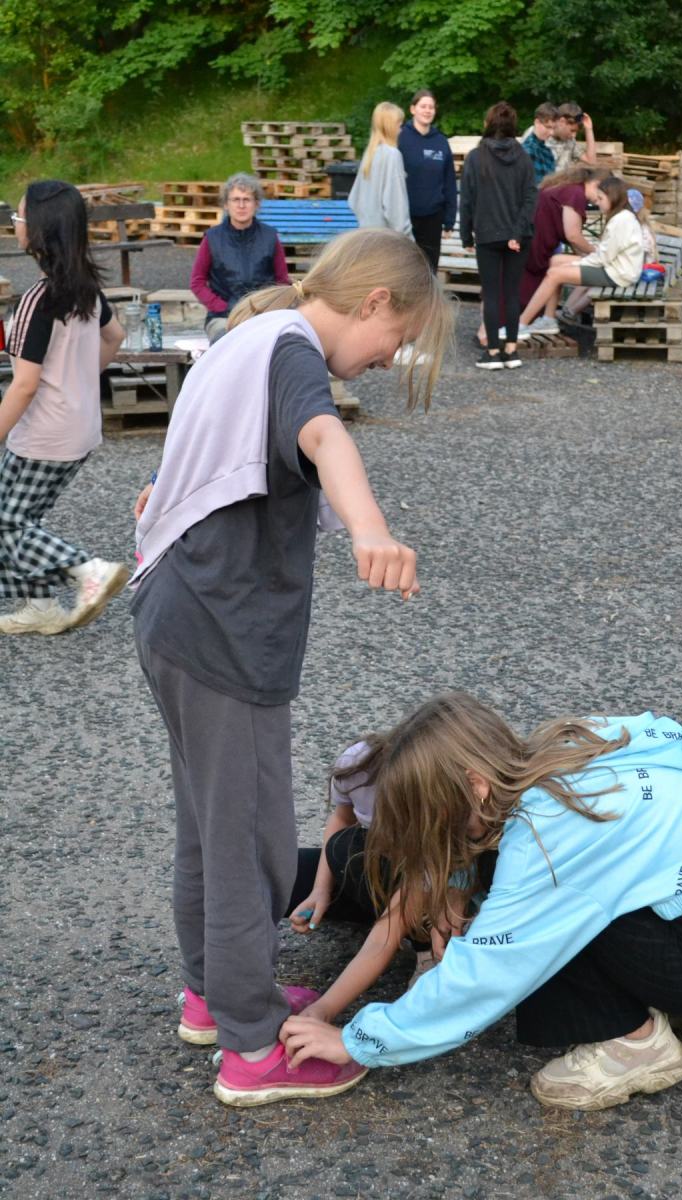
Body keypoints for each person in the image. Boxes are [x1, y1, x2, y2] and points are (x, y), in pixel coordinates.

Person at [130, 228, 454, 1109]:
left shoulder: (247, 337)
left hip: (173, 613)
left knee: (209, 825)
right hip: (223, 632)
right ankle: (249, 1047)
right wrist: (370, 530)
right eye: (396, 337)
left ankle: (216, 995)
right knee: (251, 841)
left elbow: (186, 458)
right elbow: (323, 435)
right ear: (374, 300)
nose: (388, 359)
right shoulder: (294, 352)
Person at [281, 693, 682, 1113]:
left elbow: (487, 974)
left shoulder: (547, 838)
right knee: (520, 887)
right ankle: (677, 1003)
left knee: (533, 926)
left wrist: (357, 1041)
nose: (442, 839)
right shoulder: (552, 759)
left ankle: (637, 1043)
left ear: (474, 784)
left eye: (441, 821)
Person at [0, 180, 128, 636]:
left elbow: (24, 385)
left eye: (18, 216)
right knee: (21, 515)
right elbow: (116, 335)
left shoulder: (37, 300)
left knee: (8, 521)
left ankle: (87, 570)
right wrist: (79, 382)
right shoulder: (84, 288)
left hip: (46, 433)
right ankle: (41, 607)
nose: (13, 222)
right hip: (78, 427)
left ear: (39, 229)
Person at [286, 738, 439, 1025]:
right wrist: (320, 890)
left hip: (426, 876)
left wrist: (324, 1008)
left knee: (401, 901)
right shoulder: (358, 765)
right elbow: (342, 820)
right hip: (382, 873)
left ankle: (428, 951)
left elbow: (384, 937)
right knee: (284, 871)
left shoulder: (435, 805)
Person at [460, 102, 536, 370]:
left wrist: (466, 236)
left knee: (491, 294)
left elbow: (466, 200)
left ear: (487, 124)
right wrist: (518, 231)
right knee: (512, 293)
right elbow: (530, 198)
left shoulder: (476, 157)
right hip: (518, 236)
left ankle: (492, 352)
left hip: (487, 233)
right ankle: (512, 351)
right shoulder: (524, 157)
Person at [518, 176, 645, 331]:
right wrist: (576, 262)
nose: (597, 203)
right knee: (555, 260)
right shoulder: (621, 217)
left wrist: (575, 263)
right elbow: (605, 254)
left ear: (613, 197)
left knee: (555, 274)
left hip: (618, 274)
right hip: (613, 266)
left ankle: (521, 324)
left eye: (600, 198)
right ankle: (548, 319)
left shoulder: (621, 221)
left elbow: (603, 258)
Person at [189, 172, 290, 345]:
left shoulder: (270, 237)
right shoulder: (212, 238)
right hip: (223, 318)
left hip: (262, 315)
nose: (241, 205)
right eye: (236, 200)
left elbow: (283, 282)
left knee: (277, 343)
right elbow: (197, 282)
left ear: (256, 204)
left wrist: (267, 308)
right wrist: (222, 307)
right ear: (226, 204)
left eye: (247, 200)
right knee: (226, 342)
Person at [516, 165, 607, 332]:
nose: (600, 200)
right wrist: (597, 253)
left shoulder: (566, 188)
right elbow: (573, 235)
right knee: (528, 286)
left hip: (529, 237)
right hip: (536, 242)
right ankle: (521, 324)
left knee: (555, 266)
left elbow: (571, 237)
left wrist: (586, 255)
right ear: (596, 184)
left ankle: (546, 319)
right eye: (602, 194)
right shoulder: (576, 193)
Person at [398, 90, 458, 270]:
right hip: (404, 216)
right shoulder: (400, 137)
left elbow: (449, 182)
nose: (427, 110)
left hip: (433, 216)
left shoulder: (440, 141)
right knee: (405, 267)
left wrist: (449, 218)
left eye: (431, 107)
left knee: (429, 268)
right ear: (413, 109)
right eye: (423, 106)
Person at [348, 103, 412, 236]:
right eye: (399, 125)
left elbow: (354, 200)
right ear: (390, 127)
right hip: (387, 240)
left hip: (365, 235)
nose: (401, 131)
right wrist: (407, 237)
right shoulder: (392, 155)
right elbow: (396, 207)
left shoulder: (370, 154)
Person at [547, 103, 597, 173]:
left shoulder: (570, 141)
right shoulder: (541, 137)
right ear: (562, 121)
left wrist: (589, 129)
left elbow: (591, 161)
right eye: (572, 130)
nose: (574, 136)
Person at [521, 102, 558, 188]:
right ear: (537, 122)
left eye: (553, 128)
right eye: (548, 127)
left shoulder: (547, 151)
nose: (551, 133)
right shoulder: (527, 150)